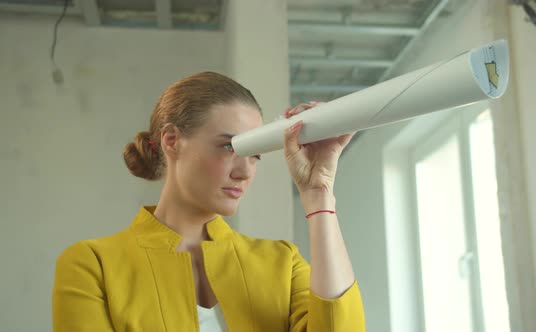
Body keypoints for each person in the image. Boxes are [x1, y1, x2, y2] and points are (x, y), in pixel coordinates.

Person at [52, 72, 365, 331]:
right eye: (229, 147)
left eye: (254, 154)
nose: (244, 172)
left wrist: (318, 192)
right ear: (171, 140)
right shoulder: (92, 265)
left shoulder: (283, 262)